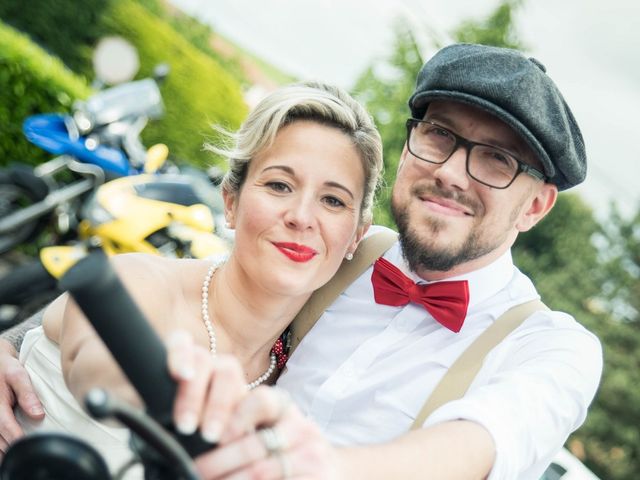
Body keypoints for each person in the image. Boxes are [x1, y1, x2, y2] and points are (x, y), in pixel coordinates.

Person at [1, 43, 603, 480]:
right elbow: (112, 321)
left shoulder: (553, 347)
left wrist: (323, 468)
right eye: (440, 134)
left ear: (537, 206)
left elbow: (477, 446)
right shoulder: (343, 254)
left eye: (497, 159)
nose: (449, 172)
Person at [0, 80, 384, 475]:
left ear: (356, 234)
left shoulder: (295, 389)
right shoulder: (142, 281)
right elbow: (96, 366)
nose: (302, 217)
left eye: (333, 200)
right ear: (231, 202)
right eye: (279, 185)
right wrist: (161, 385)